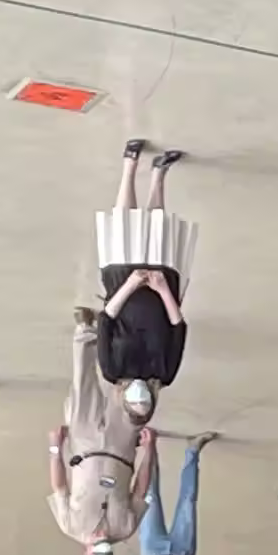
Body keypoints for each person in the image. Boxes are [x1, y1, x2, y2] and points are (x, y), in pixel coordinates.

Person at [91, 140, 191, 425]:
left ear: (124, 398)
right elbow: (178, 327)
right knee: (155, 230)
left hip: (123, 284)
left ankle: (129, 164)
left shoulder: (112, 370)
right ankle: (159, 175)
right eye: (144, 402)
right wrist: (162, 289)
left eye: (134, 401)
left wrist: (131, 285)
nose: (139, 394)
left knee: (127, 225)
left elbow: (106, 320)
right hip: (160, 289)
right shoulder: (165, 373)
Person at [50, 306, 148, 555]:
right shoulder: (125, 528)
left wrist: (55, 448)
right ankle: (124, 331)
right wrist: (149, 451)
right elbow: (140, 490)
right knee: (130, 392)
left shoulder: (71, 525)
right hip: (122, 449)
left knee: (83, 385)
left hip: (84, 446)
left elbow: (59, 486)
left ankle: (86, 329)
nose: (104, 553)